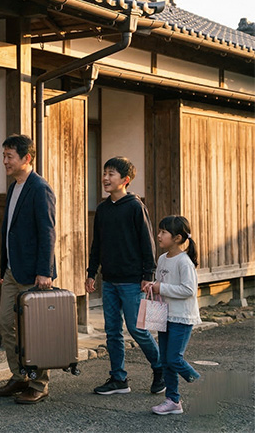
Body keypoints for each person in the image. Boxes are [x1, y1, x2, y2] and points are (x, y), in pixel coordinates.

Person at [85, 157, 164, 396]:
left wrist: (147, 274)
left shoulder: (134, 206)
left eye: (112, 174)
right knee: (112, 331)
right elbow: (96, 244)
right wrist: (92, 273)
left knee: (138, 329)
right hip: (109, 280)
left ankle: (161, 369)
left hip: (132, 281)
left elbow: (147, 242)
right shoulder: (102, 208)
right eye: (105, 173)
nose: (106, 178)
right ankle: (118, 378)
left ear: (125, 180)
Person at [0, 134, 56, 405]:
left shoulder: (39, 188)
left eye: (10, 156)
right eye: (4, 155)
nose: (5, 161)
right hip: (11, 270)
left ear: (26, 158)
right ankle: (20, 376)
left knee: (35, 329)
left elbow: (48, 231)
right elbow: (8, 231)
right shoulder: (13, 187)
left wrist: (46, 271)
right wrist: (3, 265)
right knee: (5, 322)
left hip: (34, 272)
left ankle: (40, 383)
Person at [144, 215, 202, 415]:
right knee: (166, 360)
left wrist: (162, 287)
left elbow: (189, 290)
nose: (158, 235)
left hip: (182, 318)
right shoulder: (161, 259)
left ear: (177, 238)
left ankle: (199, 381)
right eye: (159, 231)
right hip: (165, 315)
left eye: (163, 232)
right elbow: (162, 285)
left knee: (174, 359)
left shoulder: (184, 262)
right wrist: (153, 287)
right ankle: (173, 400)